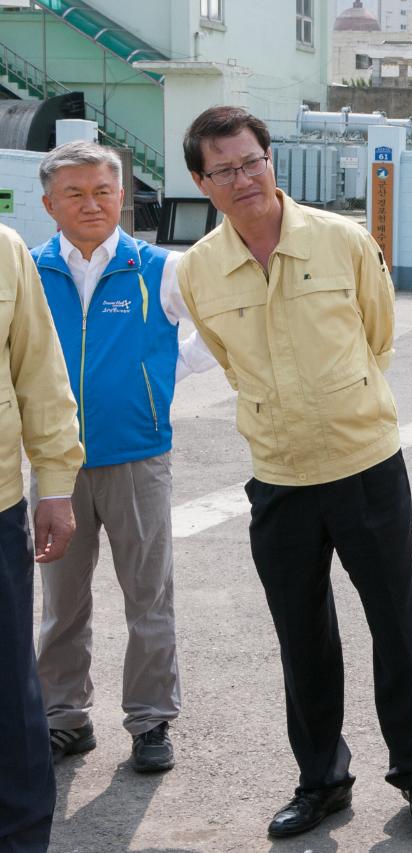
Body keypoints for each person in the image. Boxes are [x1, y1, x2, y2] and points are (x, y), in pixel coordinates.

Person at [176, 106, 412, 838]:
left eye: (252, 160)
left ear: (271, 160)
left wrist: (343, 406)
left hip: (365, 464)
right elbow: (227, 360)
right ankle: (322, 780)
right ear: (202, 182)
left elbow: (379, 334)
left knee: (396, 622)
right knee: (301, 635)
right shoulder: (201, 269)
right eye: (225, 169)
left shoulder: (341, 240)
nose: (244, 178)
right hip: (277, 475)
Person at [31, 141, 217, 774]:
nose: (91, 203)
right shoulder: (28, 272)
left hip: (138, 457)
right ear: (49, 202)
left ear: (122, 196)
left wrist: (161, 375)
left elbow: (215, 332)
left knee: (148, 596)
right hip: (55, 465)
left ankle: (150, 720)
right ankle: (63, 718)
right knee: (61, 600)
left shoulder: (157, 268)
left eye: (103, 191)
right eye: (75, 193)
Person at [0, 223, 83, 852]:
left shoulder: (4, 250)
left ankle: (23, 834)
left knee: (8, 682)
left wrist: (55, 483)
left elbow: (39, 371)